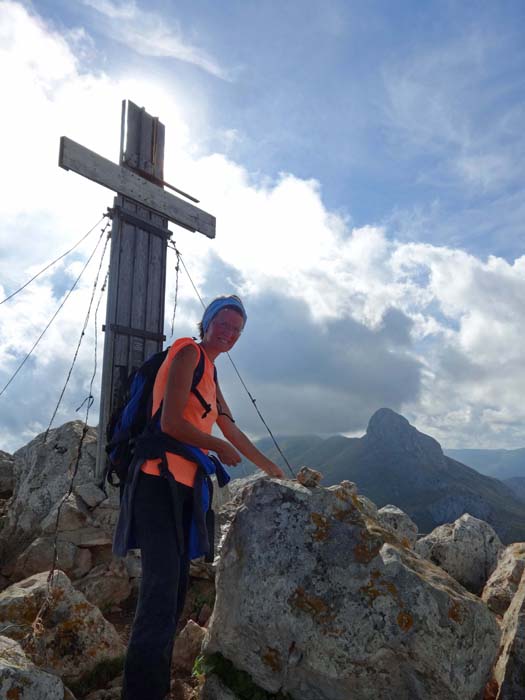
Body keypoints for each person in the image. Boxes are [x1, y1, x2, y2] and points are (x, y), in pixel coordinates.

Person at [118, 294, 284, 700]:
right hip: (157, 484)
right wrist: (216, 447)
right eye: (223, 324)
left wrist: (275, 471)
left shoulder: (211, 371)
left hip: (183, 488)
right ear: (206, 323)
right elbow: (172, 421)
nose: (228, 333)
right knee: (159, 597)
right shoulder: (188, 353)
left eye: (236, 330)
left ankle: (151, 686)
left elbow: (231, 429)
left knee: (173, 595)